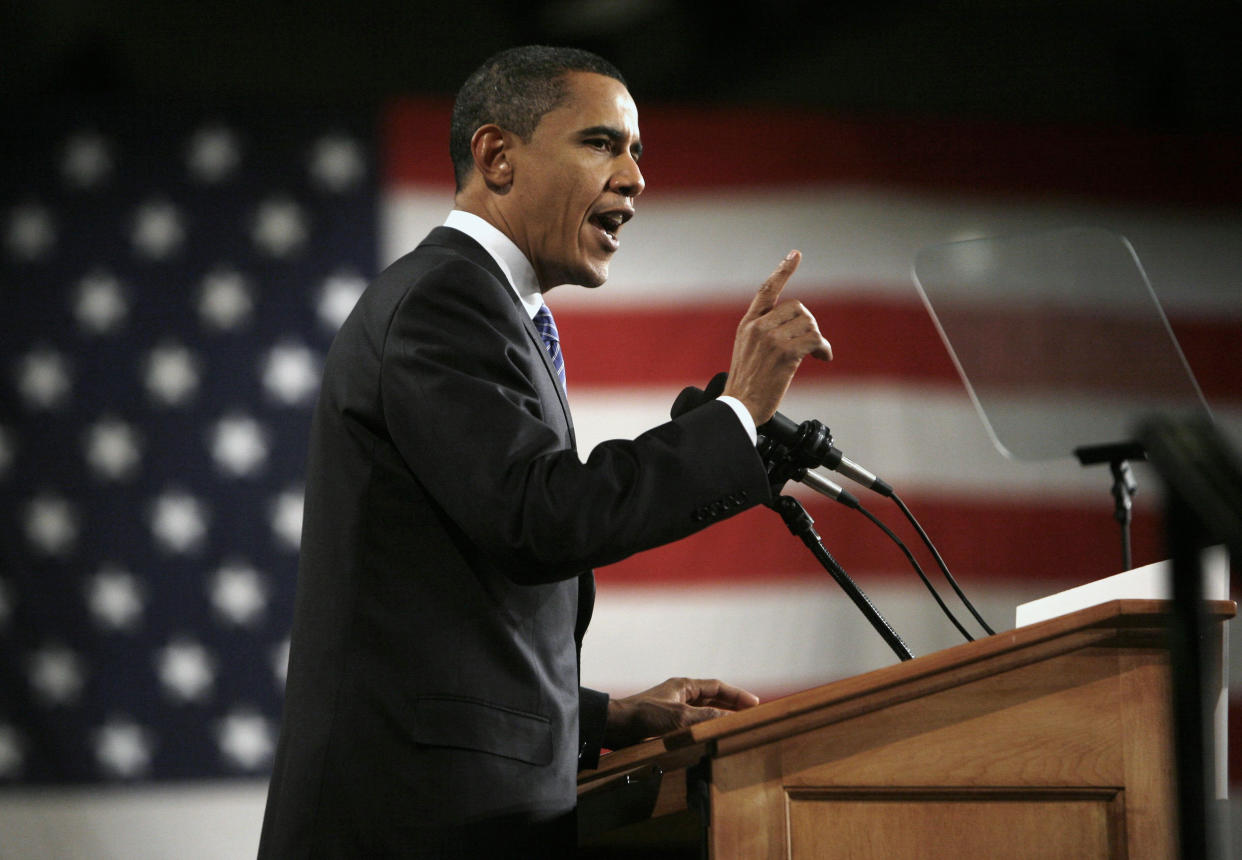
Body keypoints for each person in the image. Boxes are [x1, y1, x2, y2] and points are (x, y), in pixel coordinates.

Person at [258, 45, 831, 858]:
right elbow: (538, 516)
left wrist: (605, 717)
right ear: (497, 156)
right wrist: (736, 414)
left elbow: (453, 612)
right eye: (603, 143)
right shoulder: (442, 300)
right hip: (408, 826)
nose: (634, 177)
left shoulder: (491, 309)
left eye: (638, 151)